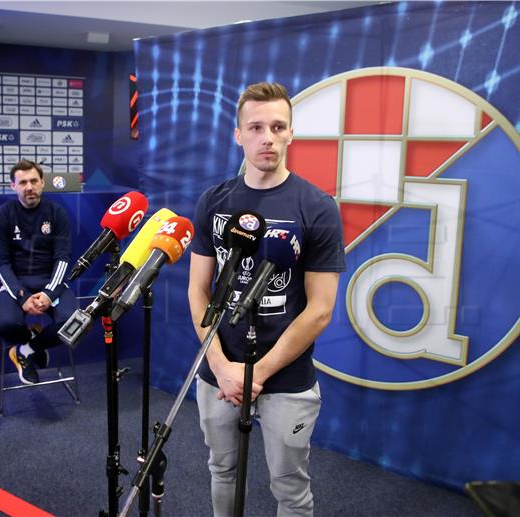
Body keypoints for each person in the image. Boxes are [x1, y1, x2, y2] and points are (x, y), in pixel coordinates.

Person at [188, 82, 345, 516]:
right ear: (238, 134)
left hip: (285, 376)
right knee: (221, 469)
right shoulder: (213, 201)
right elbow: (198, 290)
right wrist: (221, 366)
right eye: (255, 127)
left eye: (278, 127)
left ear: (291, 133)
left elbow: (321, 309)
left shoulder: (317, 207)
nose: (267, 137)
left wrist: (256, 374)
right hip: (219, 372)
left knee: (290, 486)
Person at [0, 160, 77, 384]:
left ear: (42, 183)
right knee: (6, 325)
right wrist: (22, 296)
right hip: (16, 284)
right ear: (13, 186)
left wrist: (49, 293)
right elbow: (1, 264)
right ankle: (33, 338)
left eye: (33, 181)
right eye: (22, 182)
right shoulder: (3, 215)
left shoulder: (57, 213)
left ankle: (27, 350)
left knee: (75, 324)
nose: (29, 186)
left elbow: (63, 258)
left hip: (50, 282)